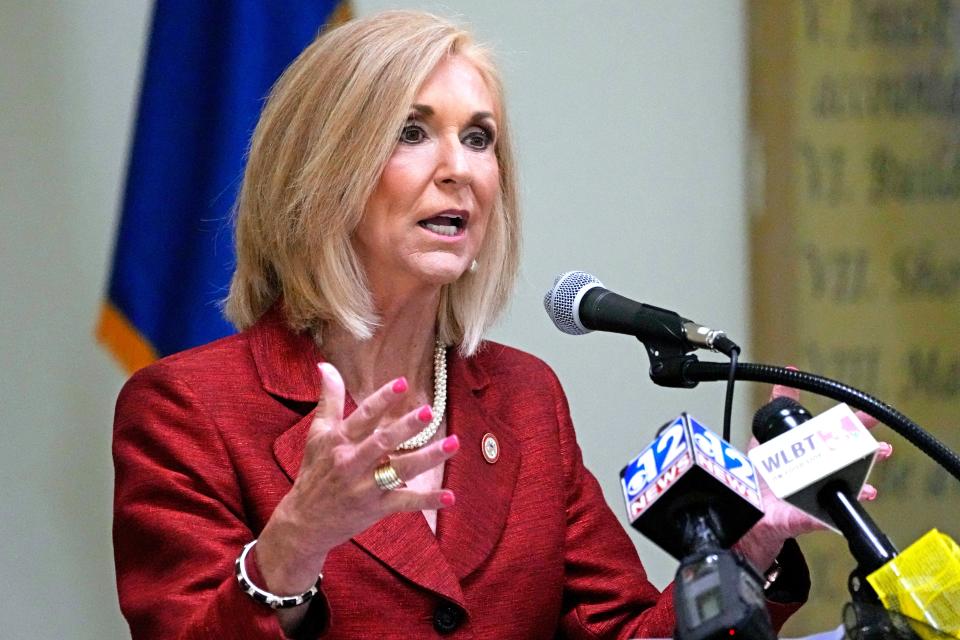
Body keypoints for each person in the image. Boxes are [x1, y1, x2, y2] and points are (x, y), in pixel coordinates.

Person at [112, 10, 874, 639]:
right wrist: (292, 545)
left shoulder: (523, 397)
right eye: (412, 132)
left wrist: (748, 545)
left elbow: (621, 631)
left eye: (479, 138)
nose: (461, 169)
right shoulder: (186, 412)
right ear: (320, 172)